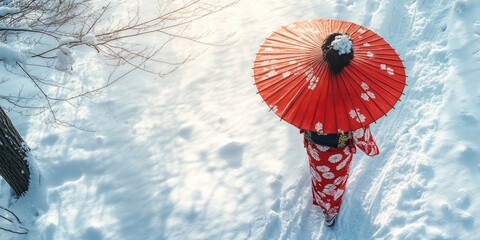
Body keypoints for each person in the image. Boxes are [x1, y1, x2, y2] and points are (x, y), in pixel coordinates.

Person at [303, 32, 380, 227]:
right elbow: (360, 131)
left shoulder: (311, 78)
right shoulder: (353, 89)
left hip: (314, 144)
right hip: (337, 150)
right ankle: (329, 212)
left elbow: (299, 110)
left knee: (319, 175)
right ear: (349, 58)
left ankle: (321, 199)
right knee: (334, 181)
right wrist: (371, 148)